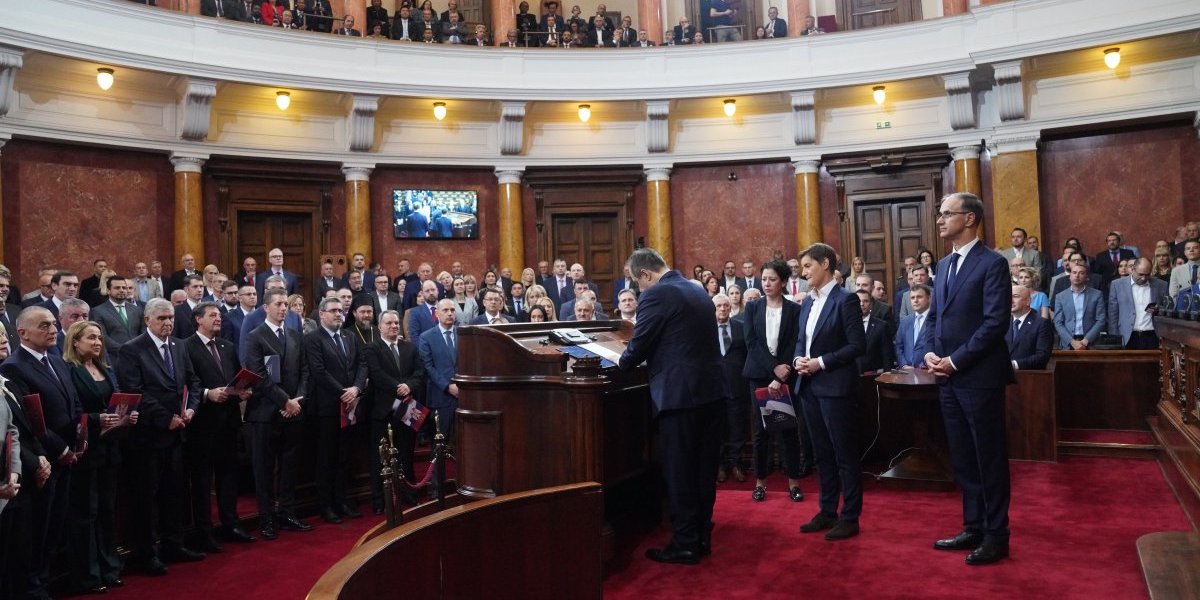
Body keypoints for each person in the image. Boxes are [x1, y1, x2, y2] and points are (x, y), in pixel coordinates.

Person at [921, 192, 1014, 566]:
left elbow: (995, 323)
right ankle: (973, 526)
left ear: (970, 218)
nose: (940, 220)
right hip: (947, 379)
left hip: (979, 377)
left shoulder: (992, 263)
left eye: (947, 213)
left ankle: (996, 535)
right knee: (963, 457)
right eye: (940, 214)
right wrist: (929, 352)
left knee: (988, 457)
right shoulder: (944, 265)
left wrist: (955, 361)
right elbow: (934, 318)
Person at [617, 248, 725, 565]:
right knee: (703, 471)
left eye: (638, 283)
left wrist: (620, 362)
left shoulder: (657, 294)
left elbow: (639, 345)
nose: (639, 289)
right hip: (711, 392)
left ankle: (685, 543)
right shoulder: (695, 287)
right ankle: (701, 535)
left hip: (680, 397)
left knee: (680, 471)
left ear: (645, 274)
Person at [117, 298, 205, 575]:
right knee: (147, 497)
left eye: (171, 318)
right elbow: (136, 391)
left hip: (177, 434)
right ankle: (147, 553)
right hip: (148, 437)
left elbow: (193, 382)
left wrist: (191, 408)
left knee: (174, 493)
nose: (168, 323)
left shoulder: (179, 346)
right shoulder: (131, 350)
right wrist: (165, 418)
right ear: (147, 320)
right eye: (162, 318)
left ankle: (173, 545)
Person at [1, 307, 85, 595]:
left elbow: (73, 402)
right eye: (44, 326)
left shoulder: (57, 360)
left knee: (56, 525)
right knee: (39, 527)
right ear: (22, 333)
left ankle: (44, 581)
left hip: (67, 456)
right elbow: (29, 420)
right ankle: (33, 586)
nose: (52, 330)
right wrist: (60, 449)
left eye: (53, 324)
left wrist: (77, 441)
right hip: (42, 460)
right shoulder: (13, 367)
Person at [791, 243, 866, 540]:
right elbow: (802, 341)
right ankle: (827, 511)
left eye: (808, 266)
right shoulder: (808, 303)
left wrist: (820, 362)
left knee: (844, 455)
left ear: (825, 264)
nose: (803, 273)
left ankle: (850, 517)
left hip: (836, 388)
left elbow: (857, 346)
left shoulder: (846, 299)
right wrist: (798, 360)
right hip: (809, 387)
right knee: (821, 453)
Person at [179, 303, 254, 548]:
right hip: (202, 423)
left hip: (229, 421)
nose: (218, 319)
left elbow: (234, 378)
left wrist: (241, 391)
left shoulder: (227, 346)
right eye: (212, 315)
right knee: (202, 480)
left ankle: (230, 524)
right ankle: (204, 531)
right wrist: (207, 394)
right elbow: (185, 383)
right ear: (198, 319)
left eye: (220, 315)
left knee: (228, 476)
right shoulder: (185, 346)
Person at [62, 321, 129, 593]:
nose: (98, 342)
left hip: (109, 449)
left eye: (99, 338)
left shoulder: (106, 368)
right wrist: (96, 419)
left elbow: (115, 402)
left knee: (106, 510)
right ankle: (88, 574)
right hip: (86, 450)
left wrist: (126, 416)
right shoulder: (68, 370)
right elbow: (70, 411)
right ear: (75, 342)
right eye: (91, 338)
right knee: (85, 513)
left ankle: (109, 567)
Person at [243, 289, 312, 541]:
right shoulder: (255, 336)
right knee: (263, 469)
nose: (284, 308)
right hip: (265, 413)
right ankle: (266, 519)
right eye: (279, 304)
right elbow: (258, 376)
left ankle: (287, 513)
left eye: (285, 304)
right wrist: (285, 401)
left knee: (289, 467)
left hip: (293, 411)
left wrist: (297, 400)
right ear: (266, 308)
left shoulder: (295, 335)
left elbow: (305, 371)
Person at [740, 259, 807, 503]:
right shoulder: (752, 307)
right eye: (764, 279)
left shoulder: (794, 310)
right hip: (758, 375)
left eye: (772, 279)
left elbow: (795, 342)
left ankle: (794, 483)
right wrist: (773, 368)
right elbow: (751, 342)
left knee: (788, 429)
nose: (767, 284)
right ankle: (760, 483)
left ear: (783, 282)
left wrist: (781, 374)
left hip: (786, 375)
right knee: (761, 432)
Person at [304, 297, 367, 524]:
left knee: (344, 457)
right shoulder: (313, 338)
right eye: (333, 310)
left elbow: (362, 364)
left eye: (340, 310)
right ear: (321, 314)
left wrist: (356, 389)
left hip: (350, 406)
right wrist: (344, 393)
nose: (339, 314)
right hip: (327, 407)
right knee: (326, 458)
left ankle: (342, 501)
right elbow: (319, 371)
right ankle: (326, 505)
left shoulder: (350, 336)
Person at [363, 310, 425, 512]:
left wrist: (409, 387)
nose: (394, 326)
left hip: (407, 408)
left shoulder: (409, 347)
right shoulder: (372, 348)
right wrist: (400, 388)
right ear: (380, 326)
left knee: (406, 454)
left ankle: (408, 494)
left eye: (396, 323)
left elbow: (419, 372)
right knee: (380, 459)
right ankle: (379, 501)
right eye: (389, 323)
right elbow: (377, 374)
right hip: (383, 411)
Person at [713, 293, 747, 484]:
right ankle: (719, 465)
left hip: (737, 386)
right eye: (719, 306)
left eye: (726, 305)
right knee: (716, 430)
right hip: (714, 389)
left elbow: (748, 355)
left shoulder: (741, 327)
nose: (723, 309)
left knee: (737, 428)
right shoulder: (705, 329)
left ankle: (736, 463)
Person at [418, 299, 460, 445]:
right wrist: (447, 386)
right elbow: (428, 367)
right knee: (440, 443)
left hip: (463, 395)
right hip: (440, 396)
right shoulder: (426, 337)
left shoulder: (464, 334)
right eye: (445, 310)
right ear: (437, 313)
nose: (450, 313)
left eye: (452, 310)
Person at [1107, 257, 1167, 350]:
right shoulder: (1117, 285)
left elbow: (1167, 309)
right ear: (1133, 269)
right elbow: (1113, 314)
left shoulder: (1161, 285)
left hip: (1152, 334)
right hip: (1127, 336)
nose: (1143, 278)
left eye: (1147, 275)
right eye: (1140, 274)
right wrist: (1115, 338)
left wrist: (1159, 309)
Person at [1052, 262, 1105, 350]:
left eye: (1081, 273)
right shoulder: (1060, 296)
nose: (1077, 275)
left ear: (1087, 277)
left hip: (1091, 342)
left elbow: (1101, 320)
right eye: (1074, 272)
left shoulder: (1097, 295)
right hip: (1068, 343)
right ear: (1070, 276)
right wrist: (1072, 342)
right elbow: (1058, 322)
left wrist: (1086, 340)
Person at [1008, 285, 1053, 371]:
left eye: (1015, 296)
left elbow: (1042, 357)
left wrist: (1014, 364)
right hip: (1002, 376)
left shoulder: (1042, 324)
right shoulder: (1004, 323)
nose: (1011, 300)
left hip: (1029, 375)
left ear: (1028, 301)